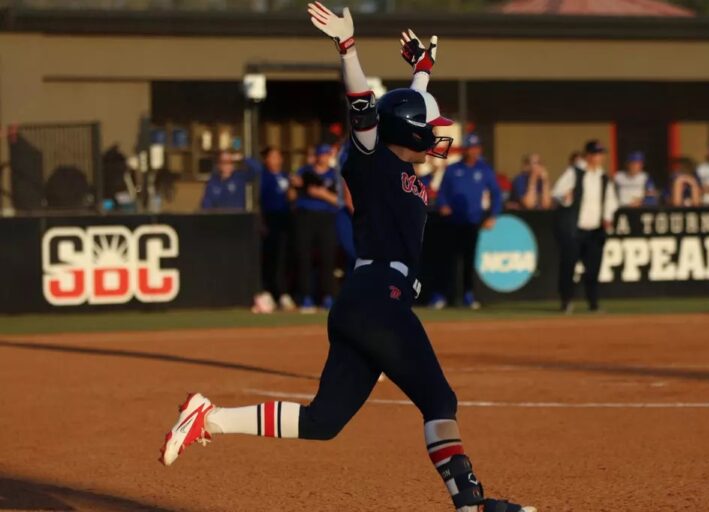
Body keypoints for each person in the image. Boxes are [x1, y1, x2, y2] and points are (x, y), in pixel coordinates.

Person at [159, 8, 536, 512]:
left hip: (364, 301)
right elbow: (365, 107)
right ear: (409, 133)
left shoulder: (401, 165)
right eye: (431, 127)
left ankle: (209, 418)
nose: (439, 134)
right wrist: (348, 48)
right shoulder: (373, 158)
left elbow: (406, 111)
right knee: (439, 401)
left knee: (324, 421)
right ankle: (471, 504)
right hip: (379, 299)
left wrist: (422, 71)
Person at [430, 133, 502, 310]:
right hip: (452, 222)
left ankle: (468, 295)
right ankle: (442, 295)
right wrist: (443, 205)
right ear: (465, 150)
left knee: (469, 261)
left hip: (472, 222)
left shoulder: (484, 170)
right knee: (447, 261)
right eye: (470, 148)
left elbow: (496, 194)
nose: (473, 151)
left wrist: (493, 216)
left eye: (476, 148)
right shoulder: (453, 169)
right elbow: (442, 193)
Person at [552, 139, 618, 314]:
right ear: (588, 155)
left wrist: (607, 217)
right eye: (596, 154)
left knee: (593, 268)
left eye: (601, 154)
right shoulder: (575, 172)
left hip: (595, 230)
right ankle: (566, 301)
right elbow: (557, 191)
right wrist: (565, 197)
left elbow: (610, 200)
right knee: (568, 266)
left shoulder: (603, 177)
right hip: (574, 229)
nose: (599, 157)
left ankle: (593, 302)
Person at [293, 143, 340, 312]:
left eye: (327, 155)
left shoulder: (334, 175)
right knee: (304, 257)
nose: (324, 158)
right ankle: (306, 296)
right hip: (306, 217)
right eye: (322, 155)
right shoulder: (305, 172)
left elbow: (339, 201)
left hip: (326, 218)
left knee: (327, 258)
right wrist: (294, 185)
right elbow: (292, 195)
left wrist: (322, 194)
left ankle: (328, 296)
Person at [257, 146, 296, 312]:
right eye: (272, 157)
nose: (275, 160)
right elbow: (259, 201)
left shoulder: (287, 176)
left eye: (278, 156)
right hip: (270, 219)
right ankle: (269, 292)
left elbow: (292, 198)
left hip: (285, 220)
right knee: (270, 258)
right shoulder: (263, 177)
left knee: (284, 257)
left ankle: (283, 293)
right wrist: (262, 222)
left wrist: (292, 193)